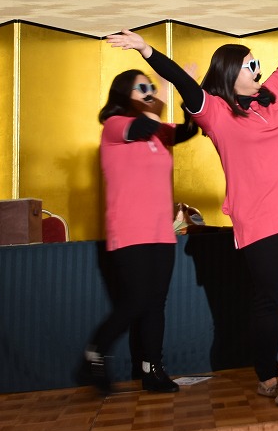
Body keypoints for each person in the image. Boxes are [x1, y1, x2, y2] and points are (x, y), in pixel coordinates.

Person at [105, 5, 278, 407]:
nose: (258, 70)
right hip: (258, 220)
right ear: (229, 73)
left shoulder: (274, 95)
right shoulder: (215, 113)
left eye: (257, 64)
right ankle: (266, 372)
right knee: (268, 299)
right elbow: (182, 82)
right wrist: (146, 50)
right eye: (250, 65)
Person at [85, 70, 198, 394]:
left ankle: (152, 370)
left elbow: (189, 129)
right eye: (141, 87)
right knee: (137, 300)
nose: (149, 91)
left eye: (150, 86)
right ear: (124, 94)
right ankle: (96, 351)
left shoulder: (159, 134)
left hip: (161, 232)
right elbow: (143, 125)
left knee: (155, 303)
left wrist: (186, 90)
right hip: (129, 230)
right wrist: (161, 91)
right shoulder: (115, 125)